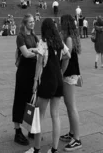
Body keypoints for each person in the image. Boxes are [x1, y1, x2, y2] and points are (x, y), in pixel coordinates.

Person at [29, 18, 70, 153]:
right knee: (55, 115)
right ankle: (54, 148)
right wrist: (61, 71)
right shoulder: (59, 42)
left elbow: (39, 63)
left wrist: (35, 81)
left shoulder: (43, 42)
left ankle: (36, 149)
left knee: (40, 115)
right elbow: (68, 55)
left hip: (47, 81)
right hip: (58, 80)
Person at [12, 14, 40, 146]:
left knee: (31, 101)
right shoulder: (20, 36)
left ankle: (29, 129)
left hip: (33, 72)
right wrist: (36, 51)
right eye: (30, 22)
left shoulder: (34, 36)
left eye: (33, 22)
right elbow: (26, 53)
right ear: (24, 23)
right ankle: (17, 131)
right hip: (23, 72)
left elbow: (41, 49)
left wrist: (34, 50)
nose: (32, 24)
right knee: (19, 100)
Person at [59, 14, 83, 151]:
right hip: (72, 73)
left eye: (61, 22)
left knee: (71, 106)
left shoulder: (68, 38)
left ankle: (77, 139)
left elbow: (66, 59)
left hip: (69, 73)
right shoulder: (71, 37)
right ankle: (72, 133)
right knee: (69, 106)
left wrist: (61, 73)